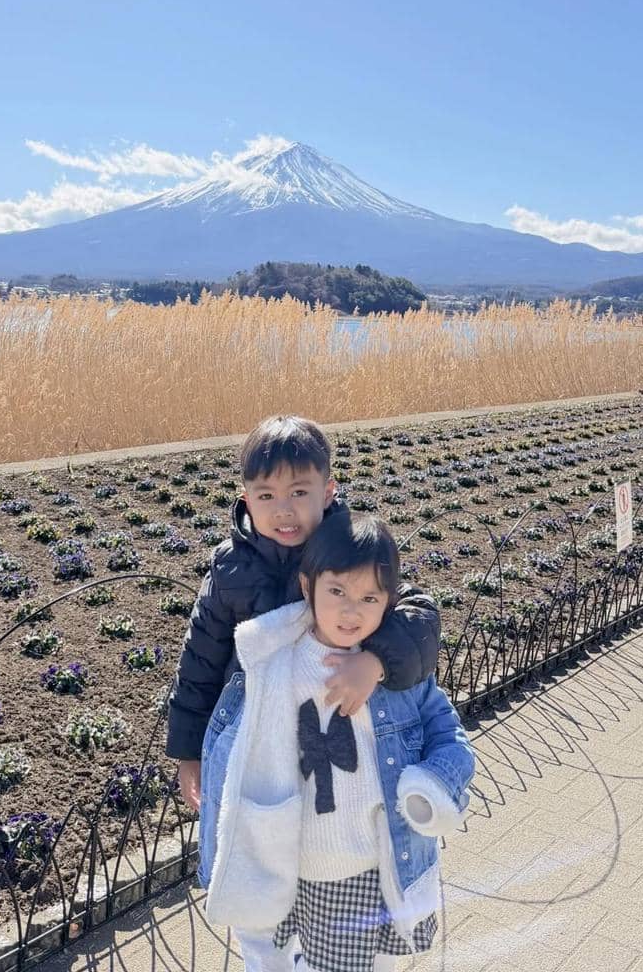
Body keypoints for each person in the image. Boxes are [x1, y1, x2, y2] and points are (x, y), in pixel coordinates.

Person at [165, 415, 441, 969]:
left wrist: (375, 662)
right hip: (261, 745)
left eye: (299, 492)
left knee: (316, 861)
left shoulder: (351, 546)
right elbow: (199, 663)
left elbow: (416, 615)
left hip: (332, 745)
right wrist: (187, 750)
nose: (283, 511)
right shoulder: (230, 569)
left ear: (328, 491)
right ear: (245, 498)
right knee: (261, 881)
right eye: (266, 495)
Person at [197, 514, 474, 972]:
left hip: (369, 866)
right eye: (337, 592)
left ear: (390, 602)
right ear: (308, 587)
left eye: (369, 597)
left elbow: (451, 738)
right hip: (296, 865)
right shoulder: (274, 663)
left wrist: (432, 785)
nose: (351, 612)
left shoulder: (395, 674)